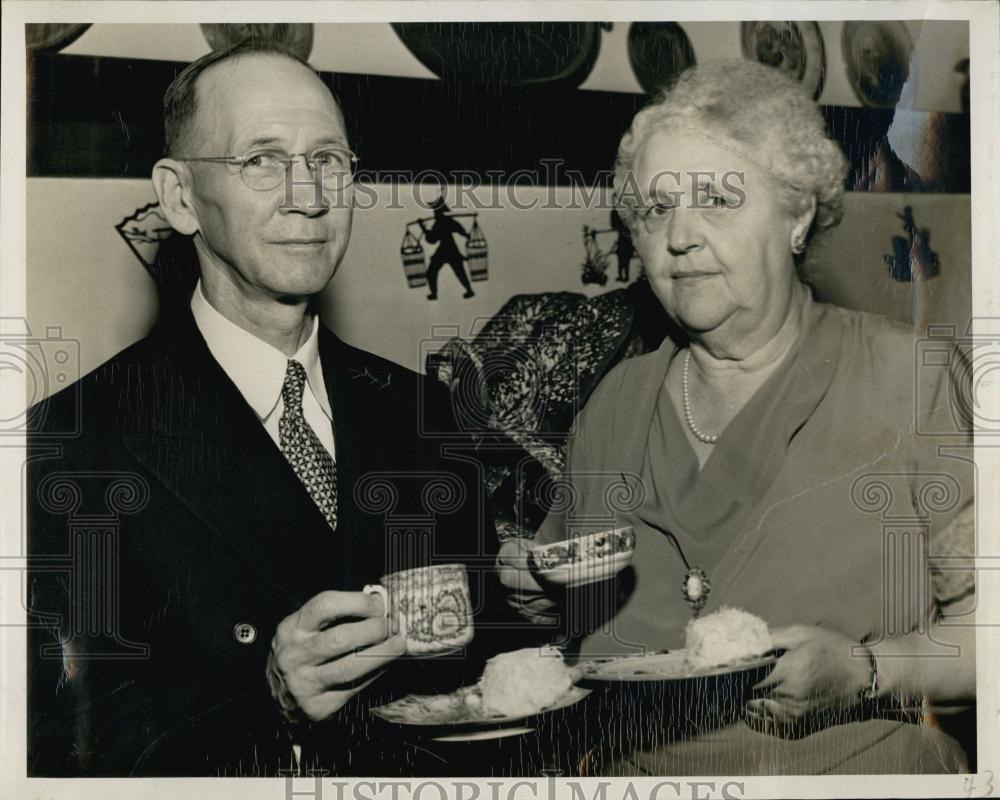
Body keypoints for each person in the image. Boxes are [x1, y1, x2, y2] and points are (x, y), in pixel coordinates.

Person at [27, 41, 500, 777]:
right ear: (180, 197)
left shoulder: (424, 410)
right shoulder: (69, 441)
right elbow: (53, 740)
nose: (307, 194)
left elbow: (479, 658)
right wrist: (267, 700)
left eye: (329, 160)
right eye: (262, 160)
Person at [498, 60, 976, 774]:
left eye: (718, 199)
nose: (679, 236)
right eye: (656, 209)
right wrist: (527, 589)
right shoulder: (616, 401)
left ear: (797, 214)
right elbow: (576, 612)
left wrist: (867, 670)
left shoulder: (909, 380)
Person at [420, 197, 475, 300]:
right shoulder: (444, 222)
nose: (434, 213)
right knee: (458, 272)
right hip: (448, 250)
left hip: (447, 250)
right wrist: (424, 229)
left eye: (435, 210)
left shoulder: (441, 223)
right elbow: (457, 229)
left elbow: (432, 239)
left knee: (435, 271)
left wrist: (424, 229)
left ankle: (434, 293)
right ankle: (468, 290)